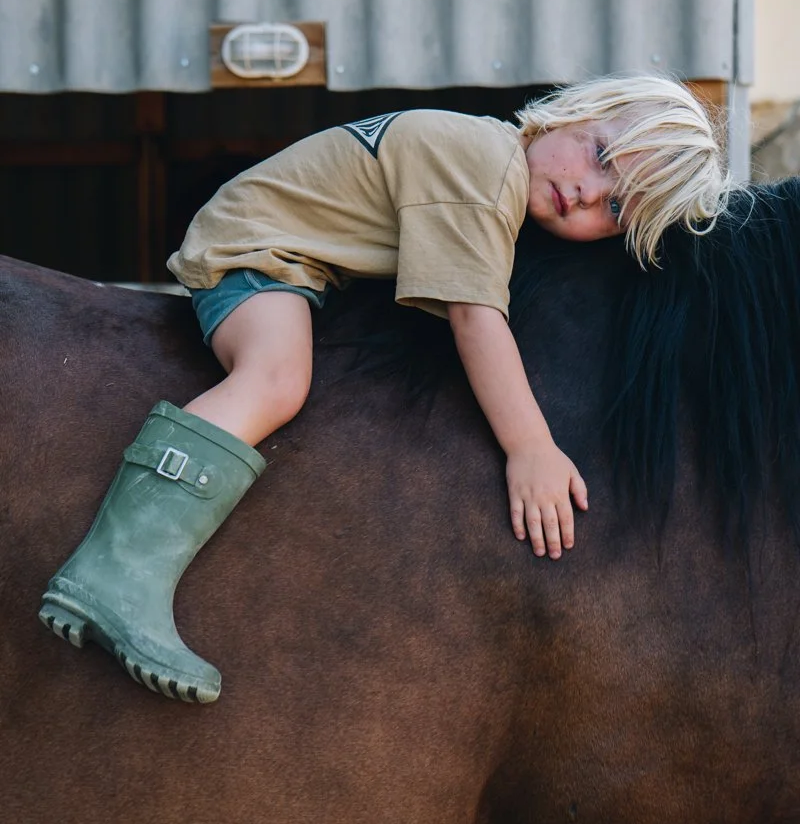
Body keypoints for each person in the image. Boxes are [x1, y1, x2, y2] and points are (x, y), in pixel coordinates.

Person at [39, 76, 728, 703]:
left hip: (294, 257)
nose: (586, 193)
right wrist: (531, 447)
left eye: (613, 209)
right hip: (260, 252)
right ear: (571, 116)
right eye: (601, 158)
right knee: (278, 380)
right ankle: (115, 572)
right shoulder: (484, 167)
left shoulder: (487, 162)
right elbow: (474, 318)